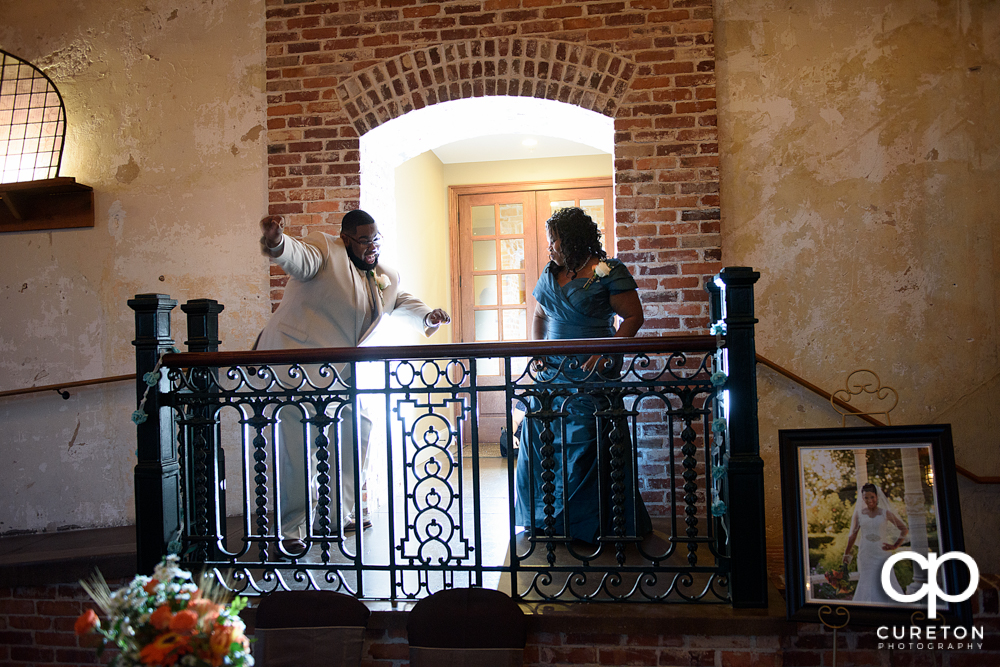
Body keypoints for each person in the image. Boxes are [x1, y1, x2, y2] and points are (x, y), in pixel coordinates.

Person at [256, 210, 450, 552]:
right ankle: (292, 528)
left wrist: (427, 316)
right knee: (296, 446)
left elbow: (397, 301)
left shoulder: (384, 273)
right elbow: (299, 259)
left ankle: (334, 515)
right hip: (294, 363)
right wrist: (277, 243)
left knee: (357, 429)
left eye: (376, 239)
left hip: (341, 370)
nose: (372, 246)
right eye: (365, 240)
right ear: (346, 239)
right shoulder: (325, 250)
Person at [514, 207, 651, 543]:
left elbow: (633, 317)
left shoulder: (607, 271)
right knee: (539, 441)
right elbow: (539, 315)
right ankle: (546, 519)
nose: (550, 249)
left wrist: (606, 352)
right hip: (552, 377)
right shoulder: (550, 273)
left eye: (554, 242)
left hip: (591, 376)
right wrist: (537, 351)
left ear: (572, 241)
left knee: (587, 442)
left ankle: (587, 524)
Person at [842, 482, 909, 603]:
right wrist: (846, 554)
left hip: (881, 552)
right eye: (866, 497)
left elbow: (904, 529)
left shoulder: (885, 513)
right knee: (867, 581)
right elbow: (852, 535)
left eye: (872, 497)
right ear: (862, 498)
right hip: (866, 553)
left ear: (877, 497)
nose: (869, 500)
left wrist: (895, 545)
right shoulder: (859, 514)